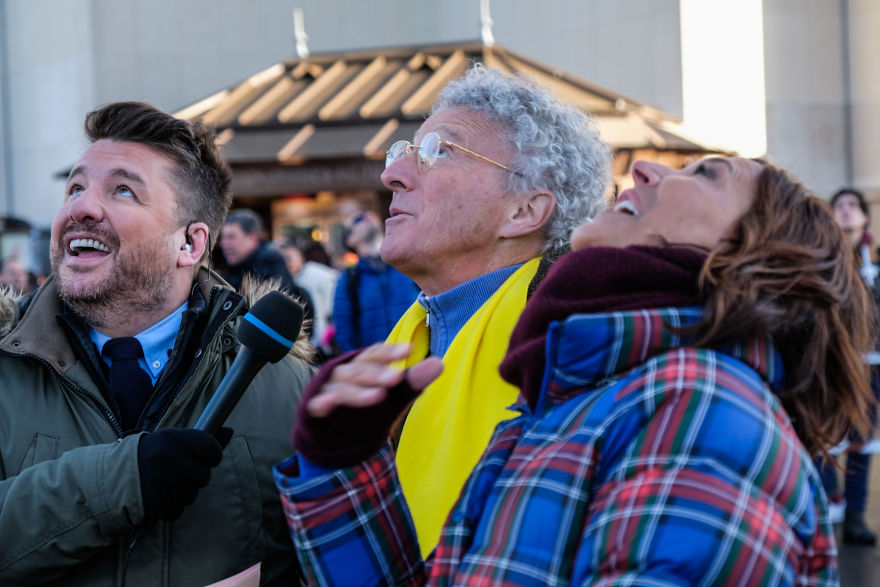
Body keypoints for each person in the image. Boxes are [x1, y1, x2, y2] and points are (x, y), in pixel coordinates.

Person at [276, 156, 876, 584]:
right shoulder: (576, 400)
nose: (643, 167)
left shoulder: (700, 406)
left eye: (706, 174)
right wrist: (344, 464)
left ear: (758, 258)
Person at [0, 102, 313, 584]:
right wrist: (119, 480)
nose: (80, 207)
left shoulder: (284, 385)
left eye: (122, 190)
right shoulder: (5, 366)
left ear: (189, 244)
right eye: (75, 188)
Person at [377, 64, 611, 555]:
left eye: (438, 152)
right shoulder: (410, 335)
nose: (392, 174)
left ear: (524, 211)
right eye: (404, 151)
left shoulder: (578, 342)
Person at [817, 187, 879, 546]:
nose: (845, 211)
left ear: (865, 217)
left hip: (871, 366)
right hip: (830, 361)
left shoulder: (876, 262)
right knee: (824, 431)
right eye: (838, 205)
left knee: (860, 439)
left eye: (853, 205)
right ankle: (827, 502)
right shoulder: (822, 258)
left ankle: (855, 514)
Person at [332, 211, 419, 353]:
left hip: (417, 359)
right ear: (351, 240)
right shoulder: (349, 279)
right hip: (378, 366)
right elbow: (344, 333)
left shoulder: (408, 266)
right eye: (358, 219)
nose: (368, 217)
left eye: (369, 216)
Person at [220, 208, 316, 326]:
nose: (224, 244)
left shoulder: (269, 265)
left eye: (231, 237)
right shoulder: (235, 269)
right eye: (223, 237)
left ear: (253, 238)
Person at [278, 239, 339, 356]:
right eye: (282, 259)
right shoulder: (285, 280)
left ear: (300, 257)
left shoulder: (319, 274)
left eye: (288, 258)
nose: (286, 263)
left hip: (323, 340)